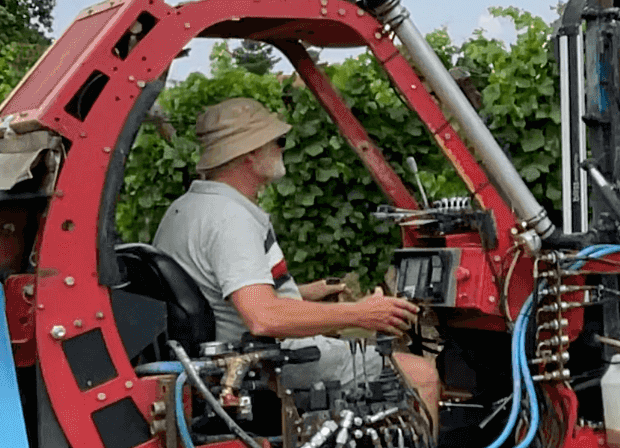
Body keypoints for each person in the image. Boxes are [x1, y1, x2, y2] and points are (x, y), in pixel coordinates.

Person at [153, 97, 440, 409]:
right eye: (278, 141)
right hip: (263, 362)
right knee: (420, 374)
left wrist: (305, 293)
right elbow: (263, 317)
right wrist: (362, 313)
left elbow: (223, 296)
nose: (282, 148)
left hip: (220, 359)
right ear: (251, 153)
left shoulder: (185, 209)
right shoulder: (230, 218)